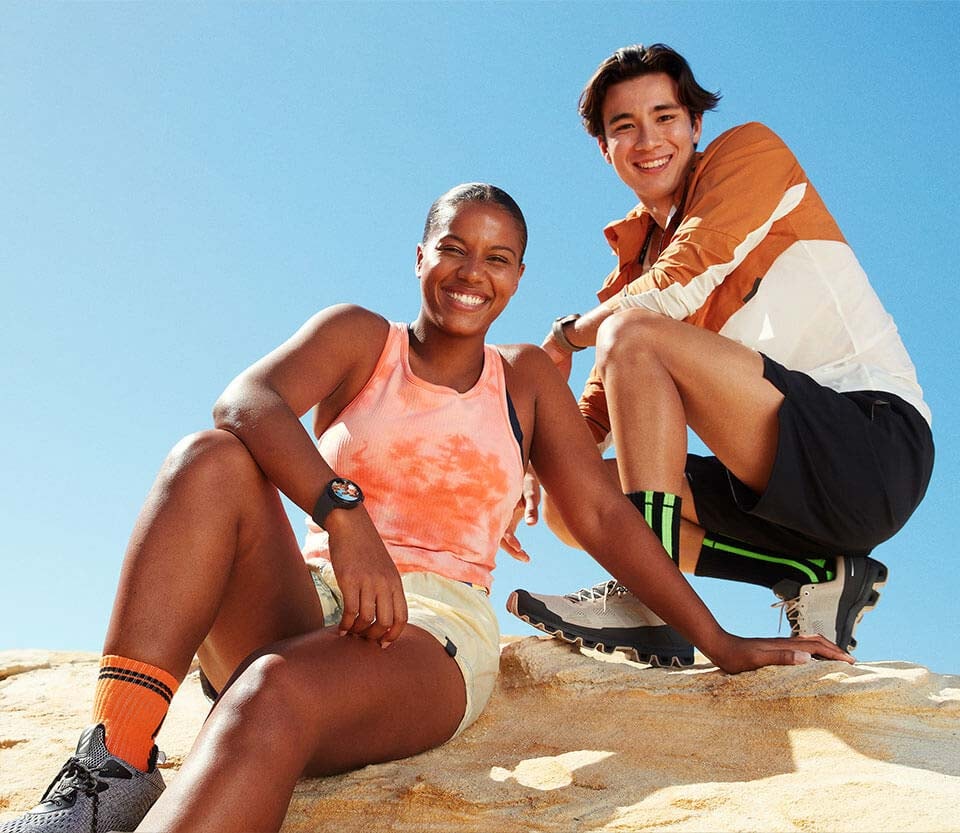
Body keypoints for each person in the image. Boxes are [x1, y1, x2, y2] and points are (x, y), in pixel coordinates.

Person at [2, 183, 855, 833]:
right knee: (210, 456)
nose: (471, 273)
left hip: (428, 633)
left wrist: (724, 643)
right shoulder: (358, 338)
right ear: (420, 256)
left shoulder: (523, 378)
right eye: (455, 248)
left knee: (272, 692)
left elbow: (602, 517)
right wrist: (345, 517)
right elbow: (247, 400)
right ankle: (112, 767)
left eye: (497, 258)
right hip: (308, 596)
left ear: (518, 277)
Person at [507, 44, 934, 665]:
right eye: (624, 126)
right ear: (605, 147)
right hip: (777, 484)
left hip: (870, 448)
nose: (648, 139)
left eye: (665, 117)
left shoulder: (750, 155)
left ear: (695, 124)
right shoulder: (636, 271)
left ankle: (648, 599)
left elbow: (681, 281)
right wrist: (517, 465)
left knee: (629, 332)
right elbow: (589, 426)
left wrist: (566, 335)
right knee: (576, 502)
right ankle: (813, 571)